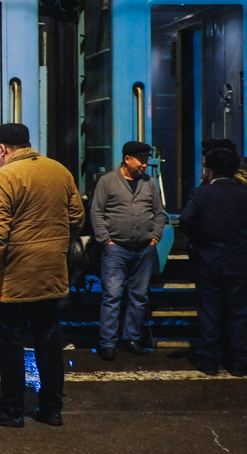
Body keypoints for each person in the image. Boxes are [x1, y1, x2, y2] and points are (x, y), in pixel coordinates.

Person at [0, 123, 84, 428]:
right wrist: (56, 246)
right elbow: (76, 218)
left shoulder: (4, 177)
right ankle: (52, 409)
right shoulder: (59, 171)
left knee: (11, 344)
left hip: (14, 279)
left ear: (2, 149)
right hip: (52, 274)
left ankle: (13, 410)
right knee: (48, 341)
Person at [179, 147, 247, 377]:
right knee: (238, 312)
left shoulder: (201, 194)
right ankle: (239, 362)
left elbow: (185, 219)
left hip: (209, 260)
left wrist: (198, 239)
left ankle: (210, 362)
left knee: (209, 311)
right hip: (239, 262)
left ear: (210, 170)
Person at [90, 140, 167, 360]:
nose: (144, 165)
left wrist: (155, 237)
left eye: (145, 160)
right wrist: (106, 240)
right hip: (116, 249)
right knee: (112, 296)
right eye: (140, 160)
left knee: (139, 297)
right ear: (127, 159)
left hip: (144, 249)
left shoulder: (149, 183)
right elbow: (97, 212)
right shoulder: (108, 182)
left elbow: (159, 213)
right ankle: (108, 343)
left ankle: (131, 337)